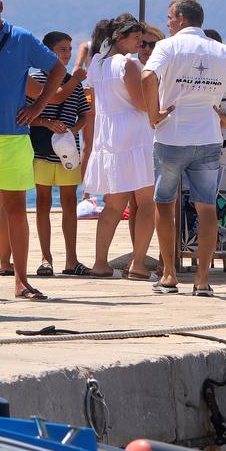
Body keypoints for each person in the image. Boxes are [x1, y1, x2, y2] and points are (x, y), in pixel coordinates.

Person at [142, 0, 226, 297]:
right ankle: (202, 279)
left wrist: (153, 114)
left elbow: (147, 76)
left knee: (163, 202)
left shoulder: (168, 46)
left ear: (182, 18)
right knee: (207, 207)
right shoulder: (221, 50)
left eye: (170, 17)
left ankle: (170, 274)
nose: (168, 22)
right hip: (209, 136)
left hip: (171, 136)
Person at [0, 0, 67, 302]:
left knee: (17, 209)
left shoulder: (21, 38)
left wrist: (38, 108)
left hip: (13, 138)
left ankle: (22, 281)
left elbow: (57, 70)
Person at [80, 15, 156, 280]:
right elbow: (141, 104)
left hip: (109, 135)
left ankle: (101, 262)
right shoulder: (128, 64)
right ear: (120, 37)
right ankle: (137, 264)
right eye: (136, 38)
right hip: (135, 135)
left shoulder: (97, 64)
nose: (139, 43)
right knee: (147, 202)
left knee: (113, 205)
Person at [28, 30, 91, 277]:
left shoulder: (73, 82)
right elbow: (27, 115)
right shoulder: (37, 78)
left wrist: (72, 130)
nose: (68, 53)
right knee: (42, 203)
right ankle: (46, 257)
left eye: (69, 49)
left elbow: (84, 113)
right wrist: (46, 123)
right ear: (49, 52)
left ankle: (71, 259)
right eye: (63, 49)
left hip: (67, 153)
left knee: (69, 204)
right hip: (42, 150)